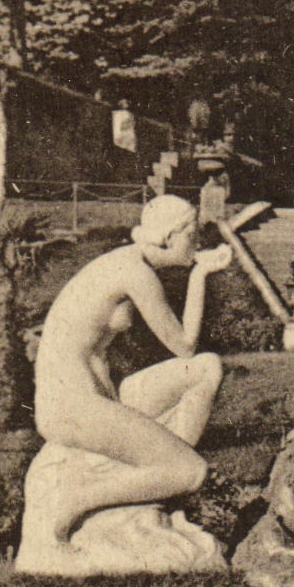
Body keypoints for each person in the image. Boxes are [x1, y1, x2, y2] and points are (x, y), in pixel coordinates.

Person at [29, 194, 233, 542]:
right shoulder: (134, 273)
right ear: (169, 237)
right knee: (191, 470)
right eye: (192, 235)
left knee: (206, 368)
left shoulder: (128, 261)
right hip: (70, 407)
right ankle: (74, 504)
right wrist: (200, 274)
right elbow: (184, 345)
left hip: (100, 398)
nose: (198, 243)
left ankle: (158, 490)